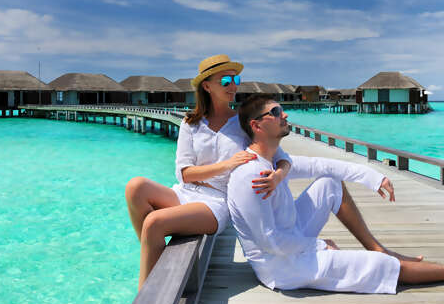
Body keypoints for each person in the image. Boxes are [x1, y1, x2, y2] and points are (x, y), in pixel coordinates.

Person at [126, 54, 418, 288]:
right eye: (225, 80)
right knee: (135, 187)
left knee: (154, 223)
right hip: (186, 193)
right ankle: (156, 270)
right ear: (207, 86)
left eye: (236, 79)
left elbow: (284, 159)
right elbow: (184, 174)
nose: (233, 85)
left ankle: (145, 295)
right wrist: (226, 165)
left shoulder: (242, 124)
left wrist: (279, 175)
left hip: (215, 202)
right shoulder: (191, 123)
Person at [228, 94, 444, 293]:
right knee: (384, 267)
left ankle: (376, 246)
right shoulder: (252, 176)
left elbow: (322, 165)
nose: (285, 115)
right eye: (275, 112)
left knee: (329, 181)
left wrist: (373, 177)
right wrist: (318, 245)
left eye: (282, 109)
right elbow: (270, 243)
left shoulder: (275, 160)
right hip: (282, 267)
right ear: (257, 125)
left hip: (291, 239)